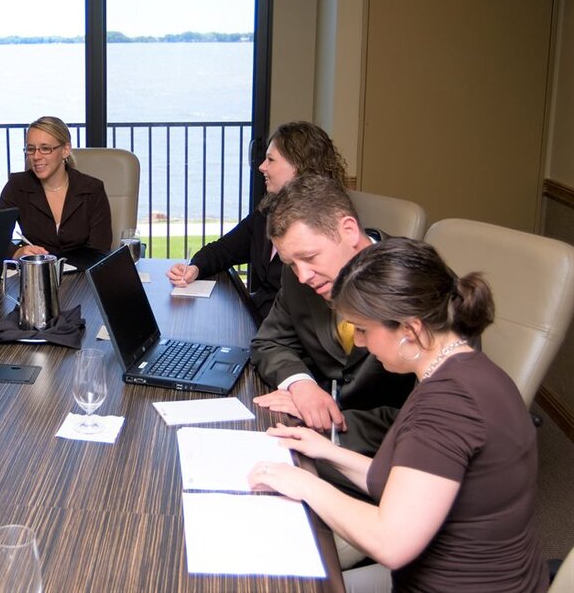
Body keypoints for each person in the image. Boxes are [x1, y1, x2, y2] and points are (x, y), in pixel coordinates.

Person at [249, 238, 548, 592]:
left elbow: (390, 541)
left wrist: (306, 485)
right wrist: (327, 450)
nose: (359, 342)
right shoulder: (468, 370)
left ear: (410, 330)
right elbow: (409, 480)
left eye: (363, 329)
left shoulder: (445, 406)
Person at [250, 174, 415, 457]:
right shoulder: (299, 277)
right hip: (315, 439)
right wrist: (302, 385)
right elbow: (268, 343)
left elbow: (434, 415)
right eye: (292, 264)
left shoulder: (419, 285)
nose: (302, 276)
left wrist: (329, 421)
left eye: (310, 258)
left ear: (349, 230)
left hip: (391, 459)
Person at [167, 121, 347, 322]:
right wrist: (195, 268)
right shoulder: (268, 212)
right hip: (259, 324)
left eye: (270, 160)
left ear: (298, 167)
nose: (261, 166)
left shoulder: (321, 228)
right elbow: (223, 250)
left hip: (283, 338)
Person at [0, 116, 112, 261]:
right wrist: (18, 253)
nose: (36, 156)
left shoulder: (92, 189)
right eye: (31, 149)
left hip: (82, 275)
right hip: (36, 276)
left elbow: (100, 248)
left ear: (65, 150)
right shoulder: (17, 186)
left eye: (45, 148)